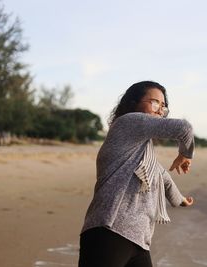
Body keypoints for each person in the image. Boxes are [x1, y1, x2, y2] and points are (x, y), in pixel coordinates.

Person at [78, 81, 195, 267]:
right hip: (109, 230)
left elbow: (161, 175)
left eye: (163, 106)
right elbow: (184, 128)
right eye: (154, 102)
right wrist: (185, 154)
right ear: (133, 103)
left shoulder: (141, 149)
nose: (159, 110)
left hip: (139, 240)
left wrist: (180, 199)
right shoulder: (128, 122)